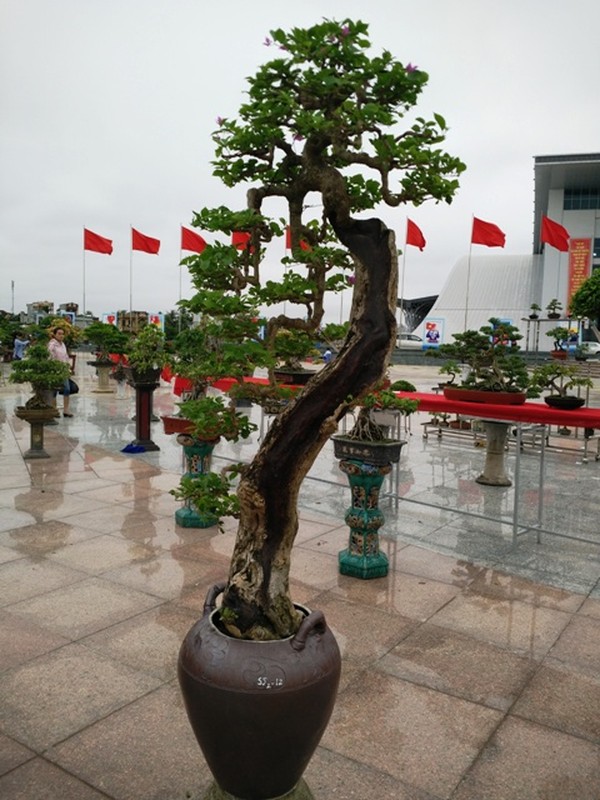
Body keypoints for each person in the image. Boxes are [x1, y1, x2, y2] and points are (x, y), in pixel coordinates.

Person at [47, 326, 73, 417]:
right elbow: (50, 357)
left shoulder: (63, 344)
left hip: (64, 370)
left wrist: (68, 368)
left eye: (62, 334)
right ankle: (54, 409)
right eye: (59, 334)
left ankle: (66, 410)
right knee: (54, 390)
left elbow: (65, 357)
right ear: (54, 335)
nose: (61, 336)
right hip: (55, 371)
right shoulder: (52, 344)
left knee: (67, 389)